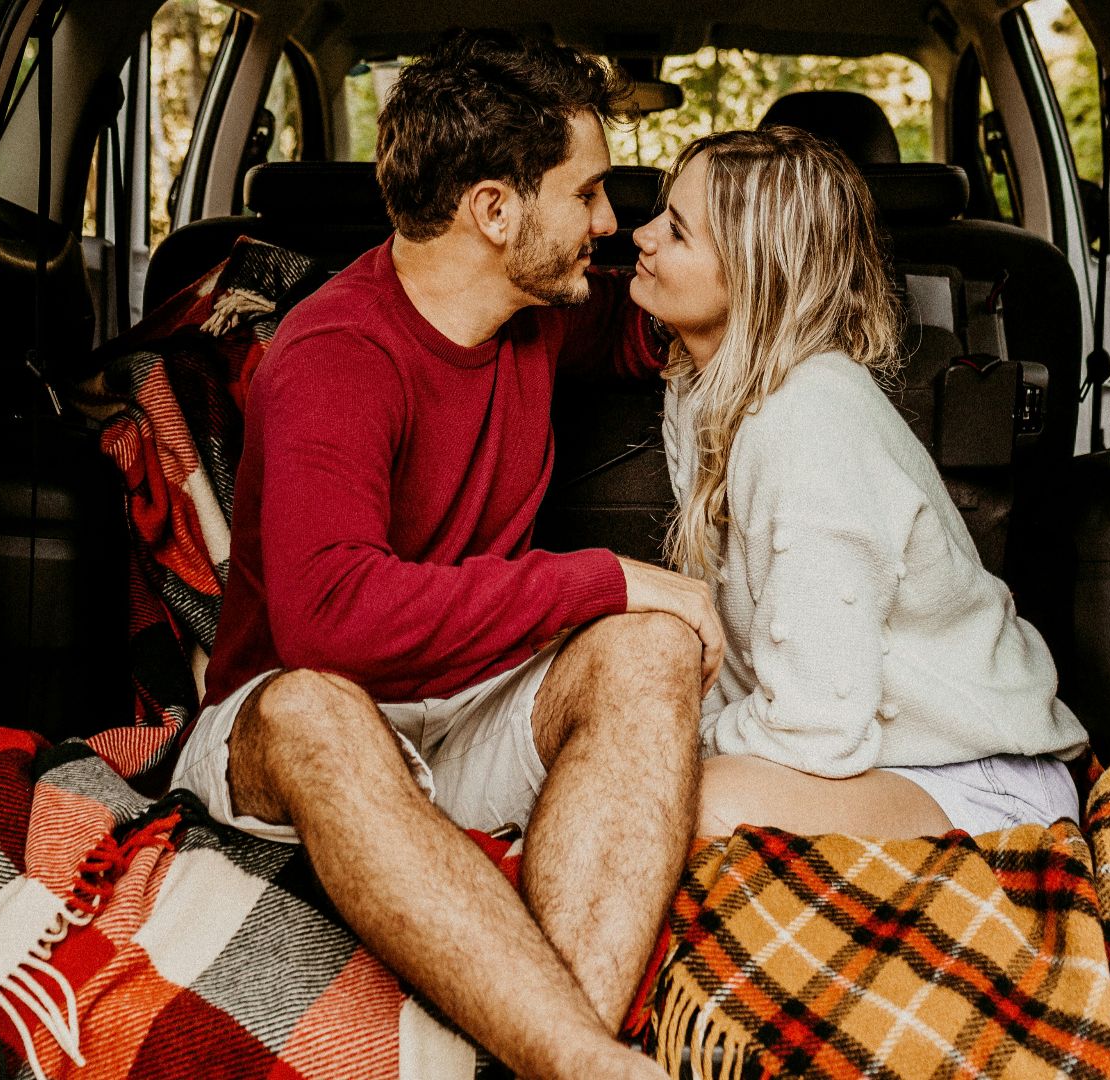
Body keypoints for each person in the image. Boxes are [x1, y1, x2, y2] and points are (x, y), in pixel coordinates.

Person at [169, 30, 721, 1080]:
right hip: (305, 730)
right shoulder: (333, 357)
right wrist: (604, 576)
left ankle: (564, 1053)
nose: (611, 223)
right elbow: (332, 623)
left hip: (466, 708)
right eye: (591, 193)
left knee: (648, 652)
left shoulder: (540, 307)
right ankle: (580, 1056)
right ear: (496, 211)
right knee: (313, 707)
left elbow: (653, 321)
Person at [629, 127, 1089, 840]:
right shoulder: (700, 390)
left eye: (677, 232)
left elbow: (816, 731)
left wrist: (663, 752)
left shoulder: (807, 426)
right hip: (862, 757)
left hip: (977, 773)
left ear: (755, 273)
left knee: (668, 814)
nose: (642, 235)